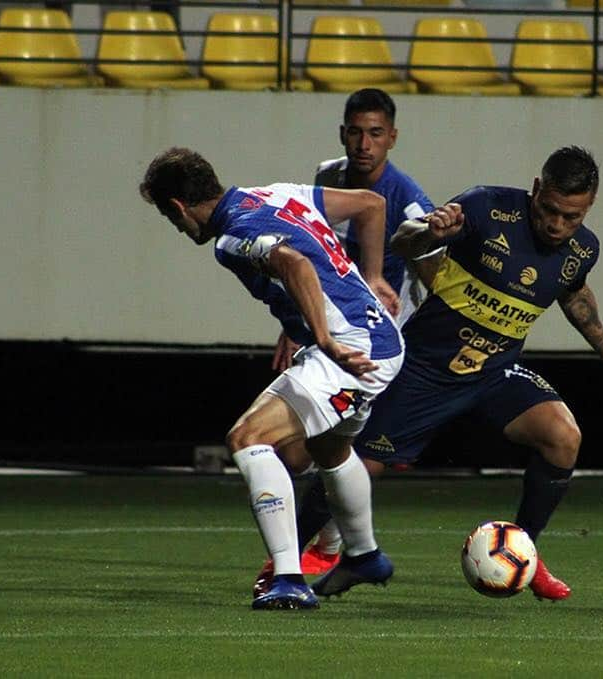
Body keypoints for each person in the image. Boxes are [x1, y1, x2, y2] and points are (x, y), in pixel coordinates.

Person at [272, 146, 603, 602]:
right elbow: (405, 241)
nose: (557, 224)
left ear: (588, 208)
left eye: (571, 216)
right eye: (549, 210)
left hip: (494, 373)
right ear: (535, 190)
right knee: (352, 466)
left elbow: (571, 292)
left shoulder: (582, 249)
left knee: (563, 436)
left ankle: (524, 550)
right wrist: (430, 229)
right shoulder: (485, 207)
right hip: (423, 370)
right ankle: (284, 567)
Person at [139, 147, 405, 609]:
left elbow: (296, 264)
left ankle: (289, 578)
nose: (180, 230)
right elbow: (370, 204)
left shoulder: (231, 238)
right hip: (380, 338)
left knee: (247, 438)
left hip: (350, 352)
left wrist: (323, 339)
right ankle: (364, 555)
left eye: (171, 219)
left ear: (179, 207)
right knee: (329, 447)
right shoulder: (275, 195)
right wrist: (375, 278)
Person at [268, 88, 438, 578]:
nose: (365, 143)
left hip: (378, 346)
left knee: (329, 444)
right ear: (343, 133)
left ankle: (325, 548)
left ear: (393, 138)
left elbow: (435, 275)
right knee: (301, 448)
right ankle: (328, 543)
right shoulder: (326, 176)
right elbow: (310, 252)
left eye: (376, 133)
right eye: (356, 132)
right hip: (330, 331)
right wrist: (295, 323)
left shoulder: (407, 201)